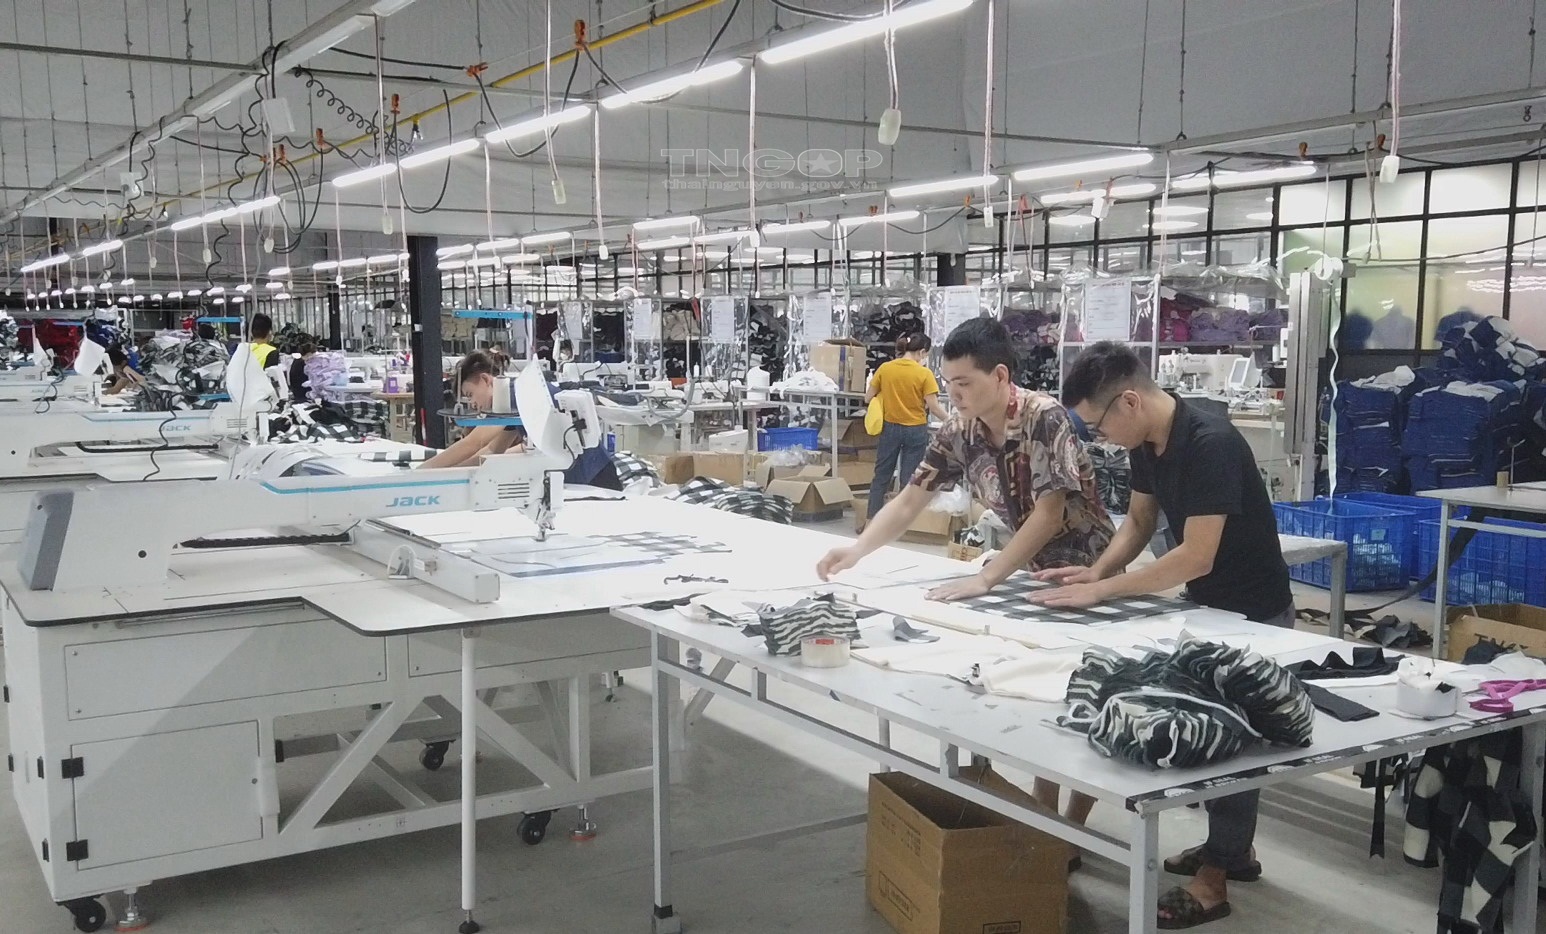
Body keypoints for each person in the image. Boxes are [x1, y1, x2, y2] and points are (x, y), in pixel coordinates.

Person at [816, 317, 1115, 834]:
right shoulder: (961, 430)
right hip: (1030, 571)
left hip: (1088, 568)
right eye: (948, 383)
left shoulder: (1045, 418)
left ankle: (1073, 827)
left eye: (963, 383)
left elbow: (1049, 514)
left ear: (999, 376)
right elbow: (911, 498)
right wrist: (859, 549)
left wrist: (986, 578)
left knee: (1085, 689)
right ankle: (1047, 821)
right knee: (1041, 690)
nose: (953, 394)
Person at [1045, 341, 1294, 930]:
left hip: (1256, 614)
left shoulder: (1211, 443)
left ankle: (1215, 878)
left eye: (1099, 426)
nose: (1102, 439)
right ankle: (1232, 851)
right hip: (1210, 610)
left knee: (1236, 745)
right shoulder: (1148, 442)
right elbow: (1139, 521)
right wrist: (1096, 572)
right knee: (1208, 730)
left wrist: (1105, 592)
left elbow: (1195, 556)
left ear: (1129, 402)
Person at [865, 332, 948, 521]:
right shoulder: (924, 374)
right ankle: (900, 523)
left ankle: (871, 521)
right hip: (916, 430)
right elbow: (934, 407)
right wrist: (952, 420)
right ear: (922, 352)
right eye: (926, 355)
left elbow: (868, 397)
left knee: (881, 476)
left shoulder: (885, 368)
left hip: (890, 428)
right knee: (909, 480)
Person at [420, 350, 526, 469]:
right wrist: (451, 471)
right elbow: (492, 450)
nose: (472, 404)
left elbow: (473, 443)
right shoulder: (510, 402)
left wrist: (421, 471)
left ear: (485, 379)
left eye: (470, 395)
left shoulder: (509, 397)